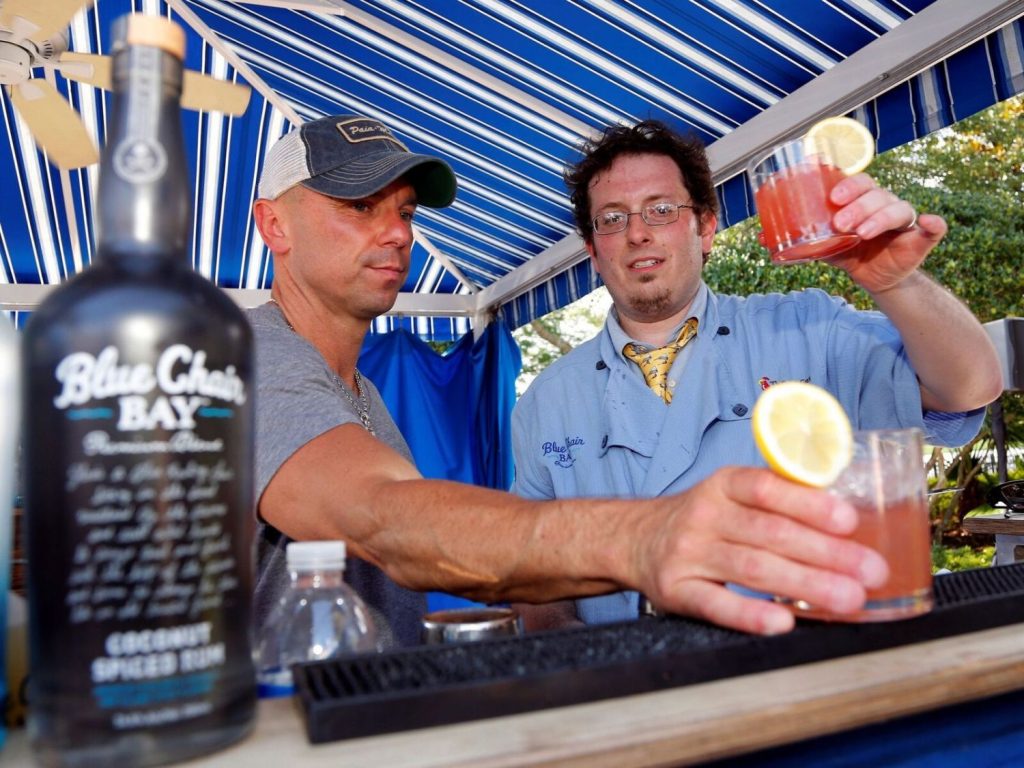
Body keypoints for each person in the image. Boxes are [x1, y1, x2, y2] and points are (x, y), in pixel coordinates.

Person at [249, 113, 913, 649]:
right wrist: (641, 539)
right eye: (360, 207)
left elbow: (961, 390)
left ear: (706, 228)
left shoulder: (357, 395)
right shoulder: (248, 358)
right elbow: (383, 518)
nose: (397, 233)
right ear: (272, 224)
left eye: (407, 211)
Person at [510, 119, 1003, 630]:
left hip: (802, 662)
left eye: (661, 210)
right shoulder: (546, 401)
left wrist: (896, 284)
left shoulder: (810, 327)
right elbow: (535, 573)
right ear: (593, 250)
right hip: (629, 681)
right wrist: (575, 652)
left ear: (705, 228)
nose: (637, 233)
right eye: (612, 219)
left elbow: (967, 387)